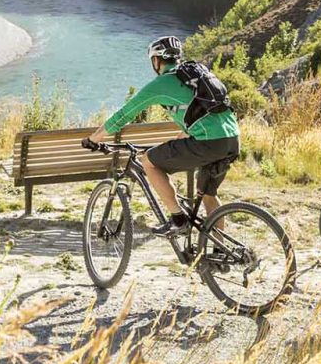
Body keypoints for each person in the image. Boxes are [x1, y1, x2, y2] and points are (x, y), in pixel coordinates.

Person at [88, 36, 240, 236]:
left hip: (207, 143)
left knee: (148, 161)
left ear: (156, 61)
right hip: (231, 139)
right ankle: (221, 251)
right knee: (208, 195)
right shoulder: (195, 75)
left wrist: (93, 139)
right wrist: (184, 133)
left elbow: (125, 114)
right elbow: (203, 111)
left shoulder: (162, 83)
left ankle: (178, 219)